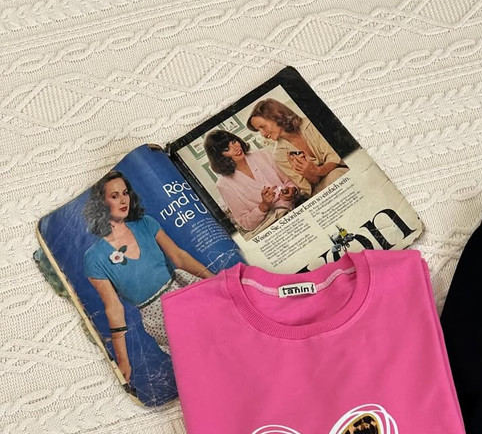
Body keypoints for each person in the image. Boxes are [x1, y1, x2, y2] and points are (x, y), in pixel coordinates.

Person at [82, 170, 214, 383]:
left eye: (125, 193)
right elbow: (113, 308)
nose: (123, 200)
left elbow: (179, 257)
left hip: (183, 290)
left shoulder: (146, 223)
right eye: (114, 196)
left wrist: (214, 280)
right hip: (157, 317)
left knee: (226, 336)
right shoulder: (94, 257)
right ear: (101, 203)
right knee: (202, 361)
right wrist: (123, 361)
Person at [245, 98, 348, 198]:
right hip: (324, 188)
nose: (262, 134)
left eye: (263, 127)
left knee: (336, 174)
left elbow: (335, 157)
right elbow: (311, 186)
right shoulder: (279, 155)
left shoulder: (311, 124)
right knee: (335, 176)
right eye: (259, 130)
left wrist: (318, 170)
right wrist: (308, 173)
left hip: (342, 171)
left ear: (276, 116)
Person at [204, 130, 300, 234]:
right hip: (274, 229)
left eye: (233, 141)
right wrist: (264, 206)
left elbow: (290, 181)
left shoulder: (263, 154)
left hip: (296, 208)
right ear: (219, 157)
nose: (236, 148)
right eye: (227, 149)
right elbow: (246, 223)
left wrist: (292, 190)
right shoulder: (223, 185)